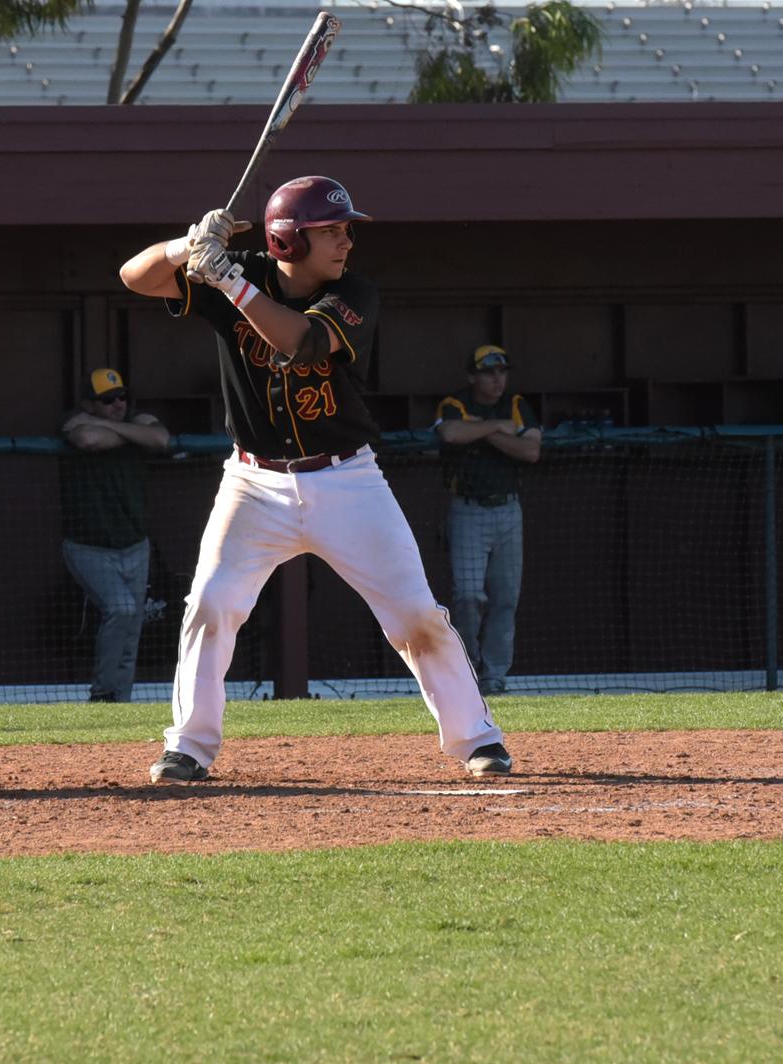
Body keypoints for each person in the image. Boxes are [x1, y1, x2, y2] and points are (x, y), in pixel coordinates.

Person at [118, 175, 511, 782]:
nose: (346, 241)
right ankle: (188, 747)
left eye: (346, 229)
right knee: (211, 604)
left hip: (346, 479)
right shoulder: (237, 270)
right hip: (253, 484)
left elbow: (302, 342)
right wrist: (185, 246)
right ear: (288, 240)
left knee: (415, 615)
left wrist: (225, 279)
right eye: (330, 231)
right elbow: (133, 277)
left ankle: (477, 740)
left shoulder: (353, 291)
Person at [435, 345, 542, 695]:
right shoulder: (456, 404)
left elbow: (531, 450)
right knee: (468, 595)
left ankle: (494, 676)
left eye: (502, 372)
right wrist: (497, 428)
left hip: (508, 511)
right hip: (468, 510)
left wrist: (479, 431)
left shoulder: (516, 403)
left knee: (505, 598)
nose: (497, 379)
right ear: (472, 376)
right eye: (488, 373)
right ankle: (468, 669)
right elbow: (451, 433)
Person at [59, 367, 171, 702]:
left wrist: (112, 427)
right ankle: (102, 692)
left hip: (135, 545)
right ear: (88, 404)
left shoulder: (136, 419)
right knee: (121, 608)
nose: (118, 404)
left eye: (122, 397)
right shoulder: (75, 420)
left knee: (133, 625)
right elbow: (87, 439)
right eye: (107, 401)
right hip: (88, 547)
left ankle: (119, 701)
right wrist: (133, 435)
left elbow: (160, 438)